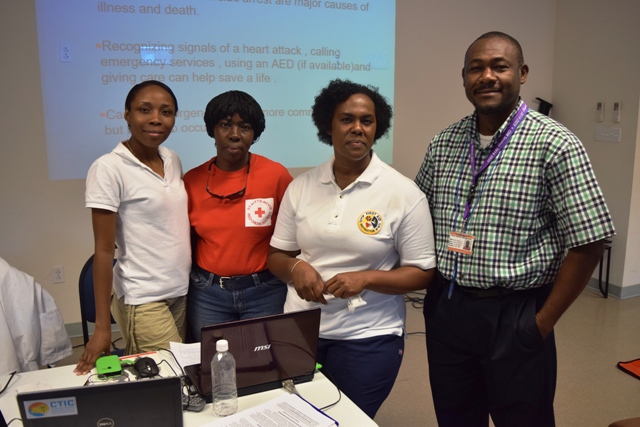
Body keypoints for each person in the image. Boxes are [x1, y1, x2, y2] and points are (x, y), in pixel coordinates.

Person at [415, 31, 616, 426]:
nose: (487, 76)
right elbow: (414, 213)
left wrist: (539, 325)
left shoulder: (555, 144)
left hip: (517, 313)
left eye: (499, 66)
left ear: (521, 73)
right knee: (455, 417)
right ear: (464, 77)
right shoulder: (444, 142)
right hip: (449, 307)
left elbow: (589, 243)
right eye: (476, 68)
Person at [267, 79, 436, 418]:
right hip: (298, 330)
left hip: (368, 336)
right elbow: (277, 257)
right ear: (328, 126)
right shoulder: (301, 187)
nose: (357, 128)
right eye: (347, 119)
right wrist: (297, 268)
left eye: (367, 120)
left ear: (377, 127)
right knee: (295, 418)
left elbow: (423, 273)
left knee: (347, 420)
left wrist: (366, 279)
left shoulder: (402, 193)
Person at [75, 80, 191, 375]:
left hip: (179, 291)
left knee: (169, 379)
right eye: (144, 110)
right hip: (143, 297)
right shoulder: (109, 168)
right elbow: (103, 251)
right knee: (171, 377)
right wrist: (102, 328)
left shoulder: (172, 158)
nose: (156, 119)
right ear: (127, 114)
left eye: (166, 112)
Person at [183, 90, 293, 341]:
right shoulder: (192, 180)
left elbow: (294, 235)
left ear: (255, 134)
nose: (234, 135)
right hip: (208, 295)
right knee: (213, 365)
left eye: (244, 127)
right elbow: (187, 240)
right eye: (225, 125)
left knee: (263, 364)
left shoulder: (276, 176)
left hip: (265, 292)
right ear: (212, 130)